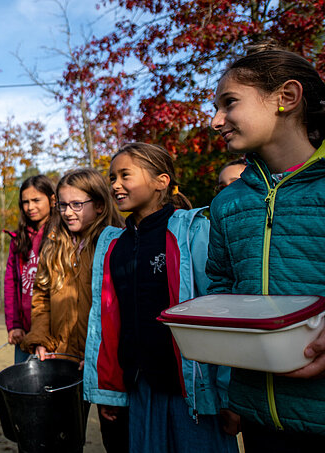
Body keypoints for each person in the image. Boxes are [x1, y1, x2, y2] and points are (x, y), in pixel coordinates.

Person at [83, 142, 238, 453]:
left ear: (161, 181)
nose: (115, 185)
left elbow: (220, 309)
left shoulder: (193, 230)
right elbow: (107, 321)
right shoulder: (113, 244)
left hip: (191, 389)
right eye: (112, 177)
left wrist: (229, 394)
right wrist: (109, 392)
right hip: (141, 386)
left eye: (125, 175)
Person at [208, 48, 325, 450]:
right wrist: (233, 394)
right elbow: (222, 294)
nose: (215, 120)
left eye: (229, 103)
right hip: (259, 416)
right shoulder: (227, 204)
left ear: (287, 98)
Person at [20, 168, 128, 453]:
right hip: (63, 360)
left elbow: (120, 309)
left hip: (106, 365)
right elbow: (41, 296)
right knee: (63, 440)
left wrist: (100, 356)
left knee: (117, 438)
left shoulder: (117, 244)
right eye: (63, 205)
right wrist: (41, 338)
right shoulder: (54, 246)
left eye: (77, 204)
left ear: (100, 205)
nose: (68, 212)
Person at [4, 174, 56, 363]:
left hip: (53, 335)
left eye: (36, 200)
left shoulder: (62, 235)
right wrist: (13, 325)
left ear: (52, 200)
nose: (30, 207)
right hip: (24, 333)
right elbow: (11, 283)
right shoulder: (19, 240)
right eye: (25, 202)